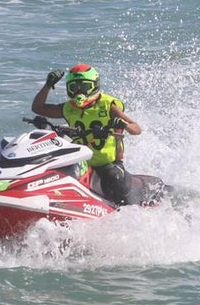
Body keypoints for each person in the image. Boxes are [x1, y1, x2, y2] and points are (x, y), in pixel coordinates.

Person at [31, 63, 143, 206]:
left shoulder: (108, 105)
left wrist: (122, 124)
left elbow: (136, 129)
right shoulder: (68, 108)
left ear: (94, 86)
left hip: (107, 164)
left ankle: (127, 213)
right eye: (74, 88)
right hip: (78, 161)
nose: (79, 93)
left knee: (113, 178)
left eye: (83, 87)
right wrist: (48, 85)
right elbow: (37, 108)